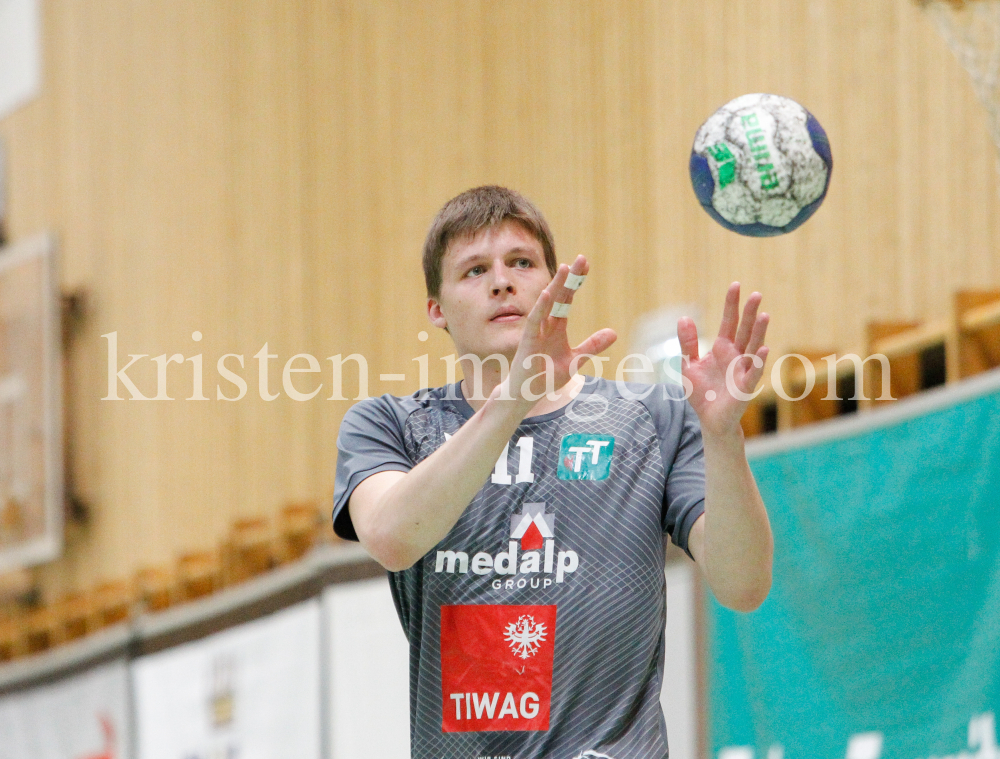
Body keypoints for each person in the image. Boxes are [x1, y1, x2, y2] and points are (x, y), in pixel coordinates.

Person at [332, 185, 773, 759]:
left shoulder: (650, 418)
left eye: (521, 262)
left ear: (554, 284)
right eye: (473, 270)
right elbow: (393, 538)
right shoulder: (390, 425)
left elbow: (743, 585)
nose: (501, 282)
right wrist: (514, 399)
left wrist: (723, 437)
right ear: (435, 310)